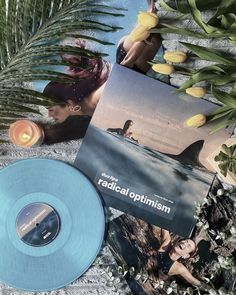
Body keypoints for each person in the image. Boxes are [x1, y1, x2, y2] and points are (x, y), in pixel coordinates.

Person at [42, 40, 110, 144]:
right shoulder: (88, 113)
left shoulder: (99, 97)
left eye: (51, 109)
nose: (50, 116)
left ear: (69, 104)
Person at [116, 0, 162, 75]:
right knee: (156, 32)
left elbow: (126, 64)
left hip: (126, 55)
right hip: (130, 62)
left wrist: (144, 35)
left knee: (153, 19)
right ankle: (150, 15)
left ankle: (150, 13)